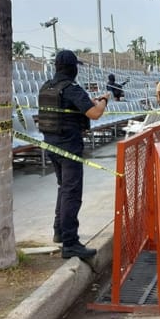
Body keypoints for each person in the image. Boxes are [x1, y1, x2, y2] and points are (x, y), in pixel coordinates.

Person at [38, 49, 111, 259]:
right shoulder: (71, 88)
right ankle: (70, 242)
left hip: (51, 144)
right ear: (73, 68)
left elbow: (69, 109)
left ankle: (59, 231)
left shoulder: (47, 87)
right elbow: (95, 113)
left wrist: (90, 101)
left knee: (64, 189)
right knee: (72, 193)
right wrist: (103, 101)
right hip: (69, 147)